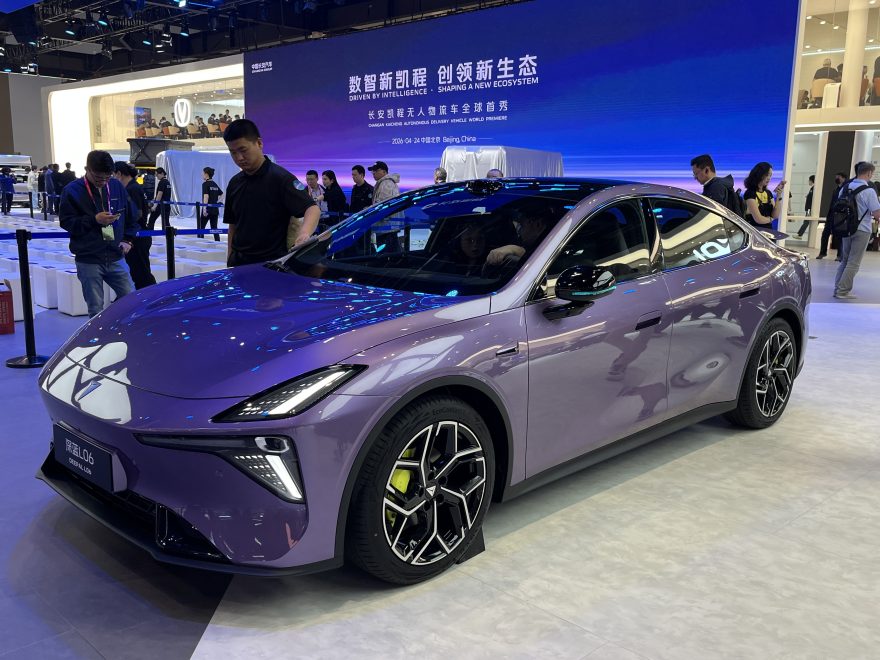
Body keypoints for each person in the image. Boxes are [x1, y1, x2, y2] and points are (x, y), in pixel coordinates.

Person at [222, 119, 319, 266]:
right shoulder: (234, 183)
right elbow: (233, 225)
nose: (239, 158)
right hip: (239, 264)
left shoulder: (281, 178)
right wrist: (229, 259)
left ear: (259, 143)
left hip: (270, 265)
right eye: (233, 152)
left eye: (243, 150)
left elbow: (312, 209)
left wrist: (304, 234)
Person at [59, 150, 138, 318]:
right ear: (87, 169)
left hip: (116, 256)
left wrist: (128, 239)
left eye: (107, 177)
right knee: (95, 309)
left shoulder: (116, 186)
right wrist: (94, 220)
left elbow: (132, 216)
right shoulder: (72, 190)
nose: (103, 181)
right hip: (89, 259)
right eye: (98, 178)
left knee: (132, 300)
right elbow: (67, 222)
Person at [833, 161, 880, 300]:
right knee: (854, 262)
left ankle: (837, 288)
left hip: (845, 228)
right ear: (869, 173)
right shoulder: (869, 191)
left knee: (845, 260)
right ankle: (843, 291)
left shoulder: (845, 187)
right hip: (862, 229)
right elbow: (877, 213)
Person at [113, 161, 156, 290]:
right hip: (134, 237)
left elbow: (137, 215)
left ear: (119, 174)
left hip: (137, 238)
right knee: (137, 273)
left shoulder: (132, 189)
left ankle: (154, 296)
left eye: (113, 175)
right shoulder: (131, 188)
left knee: (142, 275)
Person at [486, 206, 552, 266]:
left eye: (521, 225)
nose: (519, 231)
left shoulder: (552, 247)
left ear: (538, 224)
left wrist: (517, 250)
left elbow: (539, 265)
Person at [743, 162, 785, 227]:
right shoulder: (750, 193)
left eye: (770, 175)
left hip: (768, 230)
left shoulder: (768, 193)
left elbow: (775, 215)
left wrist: (778, 196)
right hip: (754, 230)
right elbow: (758, 219)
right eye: (767, 175)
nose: (769, 178)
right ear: (759, 174)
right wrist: (771, 219)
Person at [818, 171, 848, 259]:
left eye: (838, 177)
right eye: (836, 177)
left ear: (843, 178)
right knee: (825, 234)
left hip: (840, 216)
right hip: (831, 215)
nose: (836, 179)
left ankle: (839, 255)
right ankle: (822, 252)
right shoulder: (836, 190)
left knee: (839, 236)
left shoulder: (846, 189)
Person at [200, 166, 223, 242]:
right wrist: (217, 202)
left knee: (201, 227)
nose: (202, 175)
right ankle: (218, 243)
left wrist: (204, 209)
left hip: (207, 209)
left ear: (206, 174)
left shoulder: (205, 184)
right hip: (215, 210)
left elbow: (206, 196)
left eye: (203, 173)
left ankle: (200, 242)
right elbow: (222, 194)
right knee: (214, 228)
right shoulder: (214, 184)